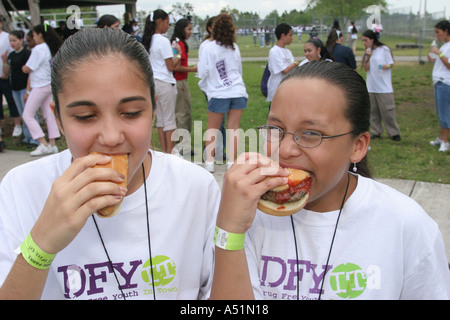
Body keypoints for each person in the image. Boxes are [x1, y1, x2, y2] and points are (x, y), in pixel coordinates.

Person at [0, 27, 220, 300]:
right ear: (58, 119)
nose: (111, 137)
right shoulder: (22, 189)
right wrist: (40, 245)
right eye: (85, 116)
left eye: (131, 113)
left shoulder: (196, 188)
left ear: (152, 110)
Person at [209, 60, 450, 300]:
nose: (285, 149)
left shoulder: (405, 225)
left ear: (358, 146)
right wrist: (229, 230)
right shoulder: (247, 216)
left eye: (312, 134)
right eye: (276, 129)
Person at [197, 13, 248, 173]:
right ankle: (231, 162)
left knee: (213, 128)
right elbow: (239, 70)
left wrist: (206, 85)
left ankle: (210, 162)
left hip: (218, 92)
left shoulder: (208, 47)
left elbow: (203, 71)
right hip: (237, 90)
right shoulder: (234, 47)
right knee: (233, 127)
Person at [142, 9, 181, 154]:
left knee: (161, 119)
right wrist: (178, 54)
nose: (168, 26)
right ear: (160, 21)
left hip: (153, 82)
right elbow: (171, 66)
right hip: (165, 82)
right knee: (169, 119)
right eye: (167, 22)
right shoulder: (163, 41)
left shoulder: (147, 39)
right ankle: (170, 153)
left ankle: (165, 151)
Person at [22, 24, 62, 156]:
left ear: (39, 34)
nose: (33, 38)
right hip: (47, 84)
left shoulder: (39, 49)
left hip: (40, 85)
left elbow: (28, 68)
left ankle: (42, 143)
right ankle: (52, 144)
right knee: (49, 114)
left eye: (33, 35)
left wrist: (23, 68)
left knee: (27, 114)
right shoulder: (47, 48)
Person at [361, 30, 401, 141]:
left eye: (366, 40)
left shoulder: (384, 49)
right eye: (363, 41)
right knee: (373, 111)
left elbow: (391, 63)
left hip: (384, 87)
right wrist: (367, 56)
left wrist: (386, 66)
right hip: (371, 86)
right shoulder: (367, 51)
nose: (364, 43)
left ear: (372, 39)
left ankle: (394, 133)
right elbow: (365, 68)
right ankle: (376, 131)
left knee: (388, 111)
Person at [1, 30, 38, 147]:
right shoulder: (11, 55)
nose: (12, 43)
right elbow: (6, 73)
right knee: (23, 114)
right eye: (10, 41)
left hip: (24, 87)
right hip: (15, 88)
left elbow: (30, 73)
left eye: (14, 40)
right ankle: (27, 136)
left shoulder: (26, 54)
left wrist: (28, 90)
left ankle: (35, 139)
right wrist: (5, 61)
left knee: (30, 113)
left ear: (21, 40)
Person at [171, 18, 197, 152]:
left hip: (183, 81)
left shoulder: (181, 43)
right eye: (189, 29)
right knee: (181, 114)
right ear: (182, 29)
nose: (191, 32)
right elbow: (176, 67)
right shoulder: (177, 44)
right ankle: (181, 146)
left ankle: (185, 145)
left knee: (186, 113)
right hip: (178, 82)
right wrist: (193, 69)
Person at [428, 20, 450, 153]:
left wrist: (438, 53)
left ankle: (445, 141)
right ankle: (441, 137)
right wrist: (434, 57)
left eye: (438, 32)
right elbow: (442, 62)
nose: (436, 35)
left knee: (444, 113)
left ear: (446, 31)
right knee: (440, 112)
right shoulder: (445, 46)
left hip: (445, 83)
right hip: (439, 82)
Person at [0, 19, 22, 148]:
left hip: (5, 76)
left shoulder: (6, 38)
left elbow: (10, 55)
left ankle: (17, 124)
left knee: (11, 101)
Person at [266, 23, 299, 105]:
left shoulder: (288, 52)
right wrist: (295, 64)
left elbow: (292, 71)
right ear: (283, 35)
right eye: (290, 35)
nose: (292, 38)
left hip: (288, 89)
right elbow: (284, 70)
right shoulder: (274, 51)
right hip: (277, 90)